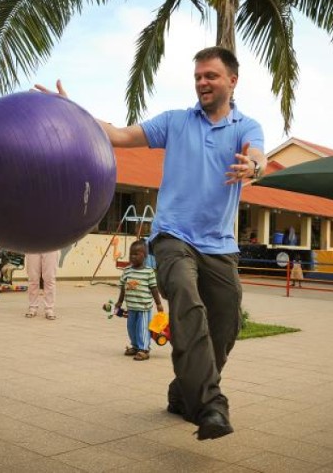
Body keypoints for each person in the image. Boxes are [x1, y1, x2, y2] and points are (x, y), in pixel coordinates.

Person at [36, 46, 266, 440]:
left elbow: (257, 156)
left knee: (225, 325)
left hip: (220, 245)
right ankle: (210, 406)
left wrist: (254, 167)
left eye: (210, 75)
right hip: (173, 236)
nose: (202, 82)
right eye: (197, 76)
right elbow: (121, 134)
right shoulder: (176, 122)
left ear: (232, 80)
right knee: (187, 302)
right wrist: (72, 112)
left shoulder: (246, 126)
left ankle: (182, 392)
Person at [116, 239, 164, 361]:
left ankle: (144, 349)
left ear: (145, 256)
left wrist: (158, 303)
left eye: (136, 254)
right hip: (131, 307)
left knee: (142, 329)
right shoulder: (127, 271)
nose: (133, 256)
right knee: (131, 328)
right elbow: (123, 288)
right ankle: (135, 346)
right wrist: (119, 302)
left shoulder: (149, 272)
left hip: (144, 307)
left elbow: (154, 288)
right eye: (131, 254)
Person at [25, 250, 59, 319]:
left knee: (49, 278)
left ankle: (49, 309)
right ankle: (32, 307)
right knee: (33, 278)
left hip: (51, 245)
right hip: (32, 246)